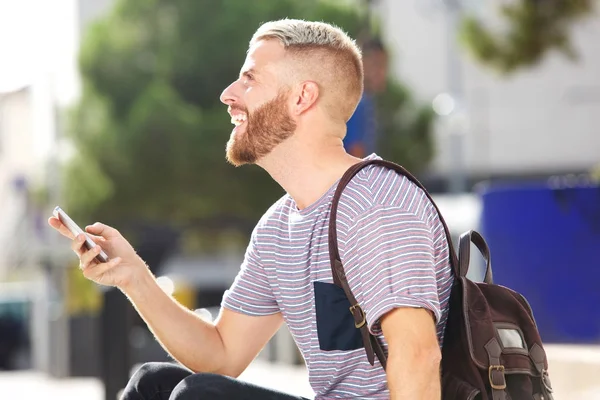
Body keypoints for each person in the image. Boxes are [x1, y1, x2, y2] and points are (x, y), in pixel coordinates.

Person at [49, 19, 453, 399]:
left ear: (301, 97)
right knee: (151, 384)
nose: (228, 94)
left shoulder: (376, 203)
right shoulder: (278, 227)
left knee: (198, 396)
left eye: (249, 79)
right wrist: (134, 276)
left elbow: (418, 356)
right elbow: (222, 354)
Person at [343, 37, 389, 158]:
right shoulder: (357, 102)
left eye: (384, 66)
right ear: (361, 64)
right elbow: (356, 151)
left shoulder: (368, 101)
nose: (382, 72)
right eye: (377, 65)